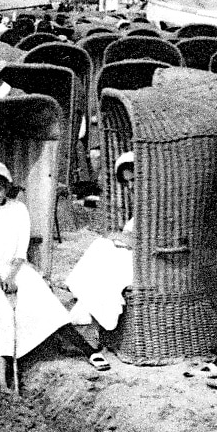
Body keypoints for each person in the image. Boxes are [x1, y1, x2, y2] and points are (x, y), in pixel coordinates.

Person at [0, 161, 73, 391]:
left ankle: (64, 349)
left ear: (6, 187)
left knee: (41, 296)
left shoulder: (19, 209)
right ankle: (3, 382)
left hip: (13, 267)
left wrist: (11, 276)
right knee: (1, 313)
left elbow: (21, 252)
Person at [65, 152, 136, 373]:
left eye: (134, 180)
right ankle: (87, 320)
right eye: (128, 182)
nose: (131, 186)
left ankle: (87, 327)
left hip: (142, 262)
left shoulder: (156, 207)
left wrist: (120, 238)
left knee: (103, 252)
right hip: (126, 255)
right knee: (101, 249)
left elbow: (148, 241)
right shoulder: (140, 205)